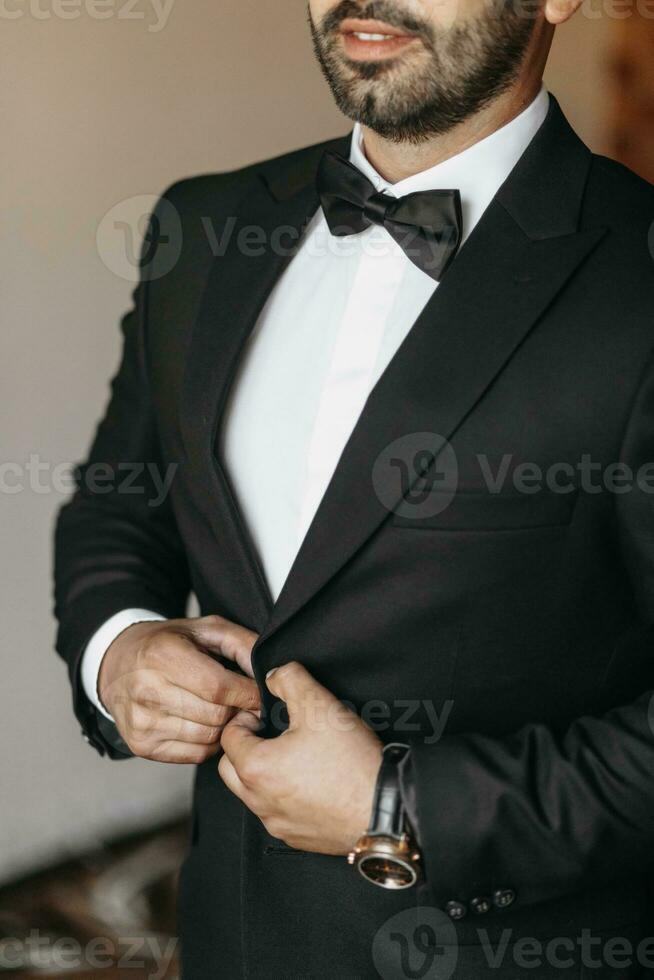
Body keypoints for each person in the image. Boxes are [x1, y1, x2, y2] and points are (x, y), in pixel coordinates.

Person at [54, 1, 654, 977]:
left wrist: (403, 806)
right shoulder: (202, 225)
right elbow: (119, 500)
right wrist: (119, 644)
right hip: (226, 936)